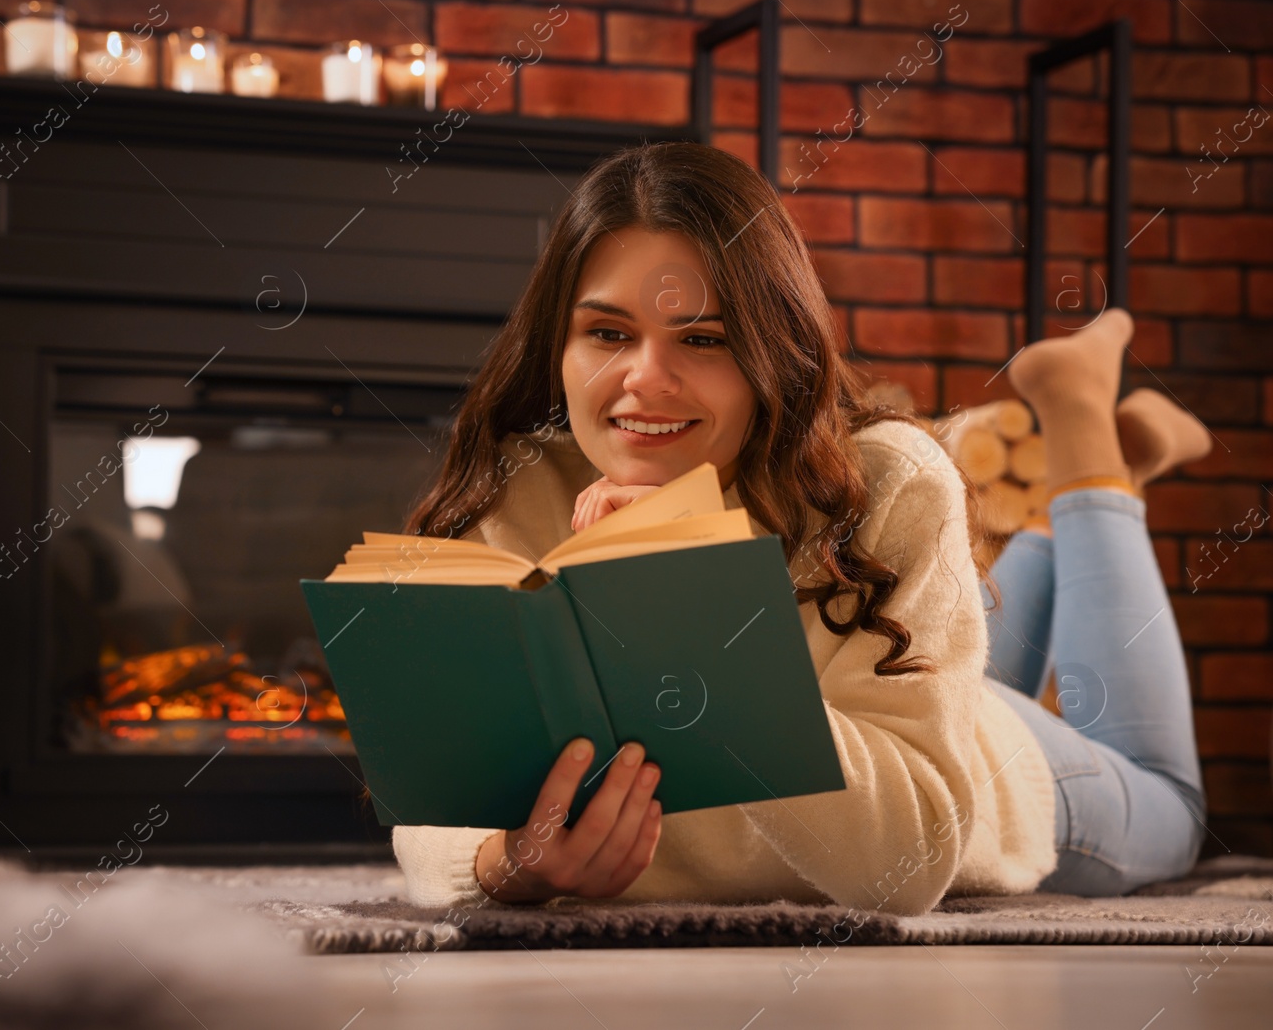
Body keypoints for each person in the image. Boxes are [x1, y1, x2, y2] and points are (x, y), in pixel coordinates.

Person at [390, 142, 1209, 916]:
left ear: (768, 353)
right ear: (559, 346)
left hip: (984, 769)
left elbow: (906, 863)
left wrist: (691, 620)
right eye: (607, 333)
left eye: (703, 339)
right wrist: (506, 860)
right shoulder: (517, 490)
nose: (643, 379)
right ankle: (1090, 486)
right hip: (900, 679)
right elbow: (434, 802)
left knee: (1171, 803)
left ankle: (1087, 438)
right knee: (965, 647)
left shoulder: (888, 479)